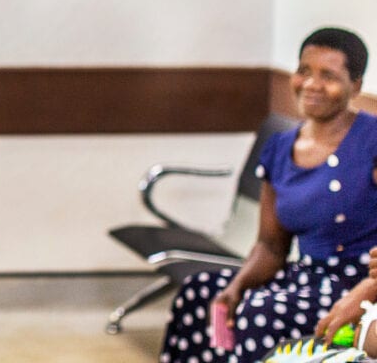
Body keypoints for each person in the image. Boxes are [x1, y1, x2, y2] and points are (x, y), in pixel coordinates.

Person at [160, 27, 377, 363]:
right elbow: (271, 245)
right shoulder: (279, 149)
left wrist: (364, 295)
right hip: (305, 276)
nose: (311, 84)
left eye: (329, 75)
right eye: (304, 71)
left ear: (356, 86)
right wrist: (237, 286)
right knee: (201, 293)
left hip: (357, 285)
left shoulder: (371, 141)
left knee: (262, 311)